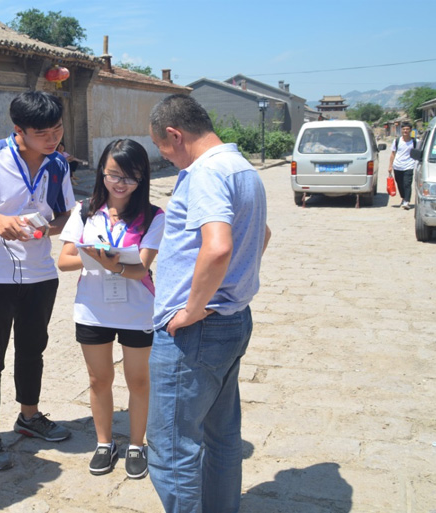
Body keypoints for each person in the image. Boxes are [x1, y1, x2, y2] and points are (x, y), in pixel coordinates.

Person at [146, 94, 272, 513]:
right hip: (232, 321)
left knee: (171, 448)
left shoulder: (206, 172)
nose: (166, 157)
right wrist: (232, 284)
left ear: (174, 135)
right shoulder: (243, 169)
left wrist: (193, 308)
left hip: (197, 331)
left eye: (162, 148)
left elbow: (217, 248)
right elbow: (262, 235)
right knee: (221, 437)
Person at [0, 91, 76, 470]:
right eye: (42, 133)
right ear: (18, 130)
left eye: (57, 129)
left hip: (40, 272)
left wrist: (48, 229)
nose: (52, 139)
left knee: (33, 348)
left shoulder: (58, 164)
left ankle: (29, 415)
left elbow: (65, 212)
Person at [57, 139, 164, 479]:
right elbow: (64, 260)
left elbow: (141, 269)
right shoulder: (84, 211)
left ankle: (137, 444)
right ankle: (104, 443)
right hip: (93, 310)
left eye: (130, 177)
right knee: (98, 379)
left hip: (138, 310)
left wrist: (112, 264)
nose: (120, 183)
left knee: (139, 380)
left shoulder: (153, 216)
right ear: (102, 171)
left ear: (142, 178)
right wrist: (95, 256)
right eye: (113, 174)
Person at [388, 122, 418, 210]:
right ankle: (403, 197)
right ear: (401, 130)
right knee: (400, 184)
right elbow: (393, 154)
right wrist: (390, 166)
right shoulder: (397, 141)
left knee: (407, 184)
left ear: (410, 130)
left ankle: (406, 201)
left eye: (407, 129)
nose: (405, 131)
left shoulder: (415, 142)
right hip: (397, 166)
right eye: (404, 129)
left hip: (409, 165)